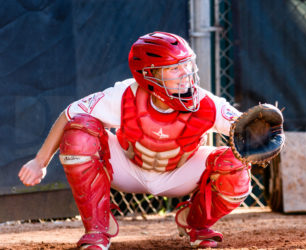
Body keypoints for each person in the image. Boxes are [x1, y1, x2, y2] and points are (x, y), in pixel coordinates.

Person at [18, 31, 252, 249]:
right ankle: (97, 230)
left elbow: (247, 128)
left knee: (238, 164)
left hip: (179, 174)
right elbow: (70, 113)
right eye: (174, 69)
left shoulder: (207, 103)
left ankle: (194, 220)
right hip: (128, 167)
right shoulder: (125, 95)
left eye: (187, 64)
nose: (186, 75)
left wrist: (265, 129)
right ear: (149, 75)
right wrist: (40, 162)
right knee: (79, 130)